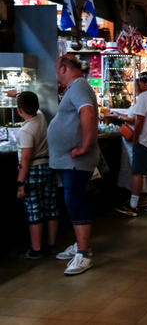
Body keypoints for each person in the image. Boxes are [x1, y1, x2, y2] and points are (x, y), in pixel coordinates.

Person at [47, 54, 99, 275]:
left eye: (57, 68)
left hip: (77, 161)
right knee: (73, 200)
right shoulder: (77, 87)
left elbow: (87, 114)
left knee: (75, 201)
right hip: (71, 161)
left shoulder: (78, 86)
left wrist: (85, 146)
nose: (56, 73)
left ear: (64, 68)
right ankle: (80, 246)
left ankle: (84, 254)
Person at [11, 91, 59, 259]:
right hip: (49, 167)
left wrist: (19, 182)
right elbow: (30, 105)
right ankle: (52, 245)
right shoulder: (41, 117)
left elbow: (25, 157)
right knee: (51, 207)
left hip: (33, 171)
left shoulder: (25, 130)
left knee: (34, 210)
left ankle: (36, 250)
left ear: (19, 110)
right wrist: (16, 95)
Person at [115, 72, 147, 216]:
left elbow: (139, 120)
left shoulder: (144, 97)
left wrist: (136, 138)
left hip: (145, 141)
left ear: (143, 83)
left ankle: (133, 206)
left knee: (137, 172)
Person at [112, 80, 147, 204]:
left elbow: (137, 120)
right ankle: (136, 194)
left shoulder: (143, 100)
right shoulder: (140, 101)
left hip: (135, 139)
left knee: (139, 169)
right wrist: (120, 114)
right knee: (135, 168)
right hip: (132, 140)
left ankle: (142, 196)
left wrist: (119, 117)